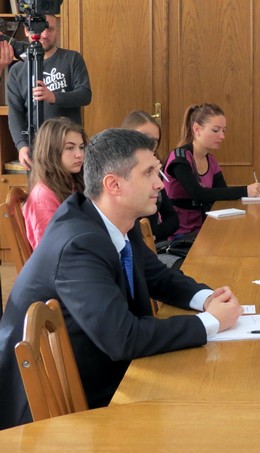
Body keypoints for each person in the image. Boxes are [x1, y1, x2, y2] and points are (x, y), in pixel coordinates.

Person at [0, 128, 243, 430]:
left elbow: (158, 276)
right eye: (149, 173)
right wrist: (211, 323)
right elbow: (122, 338)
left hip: (99, 369)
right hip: (60, 407)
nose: (160, 184)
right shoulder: (79, 243)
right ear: (113, 184)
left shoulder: (114, 218)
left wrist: (206, 299)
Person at [163, 103, 260, 236]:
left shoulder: (211, 161)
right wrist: (245, 190)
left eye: (224, 131)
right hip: (181, 235)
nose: (222, 136)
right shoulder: (180, 158)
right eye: (216, 130)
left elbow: (222, 193)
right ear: (197, 129)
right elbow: (198, 194)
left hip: (206, 228)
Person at [7, 14, 92, 171]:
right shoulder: (17, 71)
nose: (45, 34)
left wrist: (54, 97)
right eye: (41, 29)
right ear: (26, 30)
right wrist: (22, 146)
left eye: (50, 29)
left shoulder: (72, 59)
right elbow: (15, 113)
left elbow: (85, 95)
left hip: (71, 148)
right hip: (38, 150)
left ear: (57, 30)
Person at [23, 117, 87, 249]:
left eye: (81, 147)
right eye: (70, 148)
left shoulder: (72, 181)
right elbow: (50, 248)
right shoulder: (43, 196)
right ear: (50, 151)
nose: (79, 154)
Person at [121, 110, 179, 242]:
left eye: (155, 141)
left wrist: (152, 236)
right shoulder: (119, 174)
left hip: (151, 246)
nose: (150, 146)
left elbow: (172, 219)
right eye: (144, 138)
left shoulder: (155, 171)